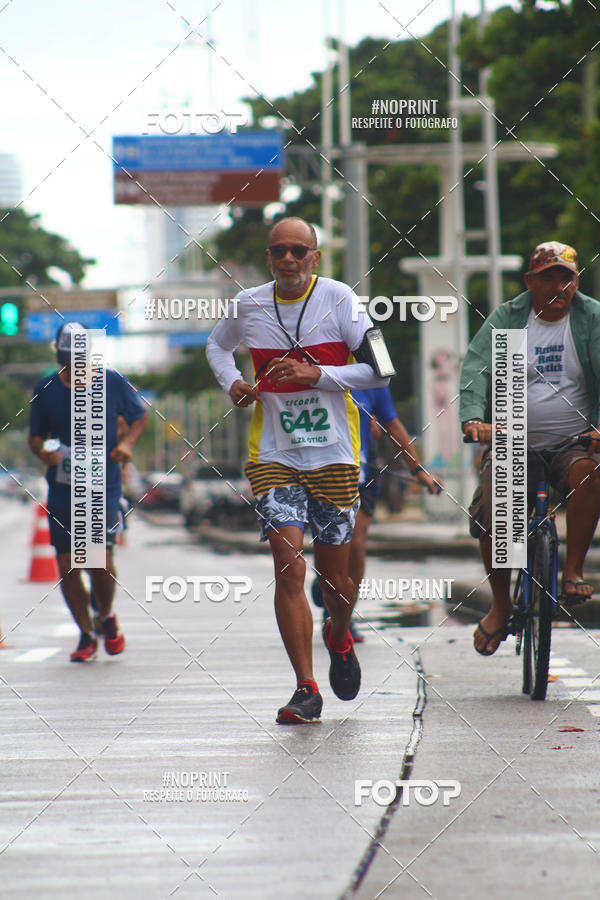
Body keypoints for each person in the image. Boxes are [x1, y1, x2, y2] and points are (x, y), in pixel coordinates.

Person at [206, 217, 389, 724]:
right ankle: (305, 688)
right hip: (273, 455)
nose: (288, 259)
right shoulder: (249, 305)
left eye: (297, 251)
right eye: (278, 251)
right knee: (289, 567)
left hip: (333, 453)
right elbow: (217, 345)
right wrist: (233, 383)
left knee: (336, 575)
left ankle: (338, 632)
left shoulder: (340, 301)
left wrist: (319, 373)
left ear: (315, 256)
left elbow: (380, 368)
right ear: (269, 258)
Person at [459, 242, 600, 656]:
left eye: (566, 277)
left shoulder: (591, 318)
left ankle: (571, 571)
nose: (558, 286)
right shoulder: (508, 318)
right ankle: (501, 605)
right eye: (548, 277)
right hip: (511, 441)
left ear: (576, 281)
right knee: (492, 511)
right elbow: (475, 369)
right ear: (530, 281)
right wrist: (474, 419)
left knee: (590, 473)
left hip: (572, 445)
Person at [28, 322, 148, 661]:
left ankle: (105, 614)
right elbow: (36, 436)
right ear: (59, 354)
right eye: (68, 358)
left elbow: (139, 417)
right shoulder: (46, 388)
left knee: (98, 560)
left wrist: (126, 443)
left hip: (103, 485)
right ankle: (85, 633)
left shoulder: (111, 382)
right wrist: (45, 452)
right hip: (63, 487)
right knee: (67, 564)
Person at [311, 386, 443, 640]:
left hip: (362, 470)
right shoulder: (315, 367)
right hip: (317, 468)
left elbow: (392, 425)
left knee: (355, 543)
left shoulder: (371, 376)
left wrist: (419, 472)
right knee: (329, 544)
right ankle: (327, 583)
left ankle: (344, 616)